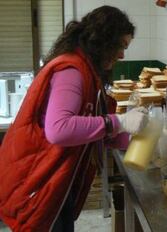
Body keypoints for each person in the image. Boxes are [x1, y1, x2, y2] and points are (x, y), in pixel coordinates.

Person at [0, 6, 148, 231]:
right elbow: (59, 129)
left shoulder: (87, 71)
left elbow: (88, 129)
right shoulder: (71, 70)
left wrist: (130, 138)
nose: (122, 55)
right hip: (39, 179)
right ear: (103, 40)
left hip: (57, 180)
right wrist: (118, 122)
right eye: (121, 46)